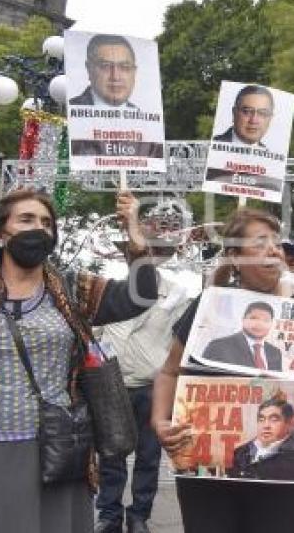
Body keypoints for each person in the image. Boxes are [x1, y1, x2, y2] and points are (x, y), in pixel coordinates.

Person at [0, 188, 157, 533]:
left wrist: (135, 235)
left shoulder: (69, 288)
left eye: (47, 222)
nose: (39, 228)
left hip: (58, 446)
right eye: (26, 219)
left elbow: (140, 296)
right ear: (0, 233)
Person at [152, 207, 294, 533]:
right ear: (235, 258)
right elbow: (170, 372)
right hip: (210, 474)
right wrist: (159, 421)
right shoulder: (207, 308)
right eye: (260, 242)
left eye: (276, 243)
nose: (274, 250)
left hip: (280, 475)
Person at [94, 228, 192, 533]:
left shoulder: (177, 295)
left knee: (149, 457)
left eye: (149, 251)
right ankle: (109, 515)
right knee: (111, 455)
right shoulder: (108, 292)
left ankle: (139, 515)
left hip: (152, 386)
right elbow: (93, 336)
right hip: (113, 384)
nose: (141, 256)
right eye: (135, 251)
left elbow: (181, 342)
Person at [230, 398, 294, 482]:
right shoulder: (240, 453)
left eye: (274, 420)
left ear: (289, 423)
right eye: (261, 419)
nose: (266, 426)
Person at [201, 301, 282, 370]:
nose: (259, 324)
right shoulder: (218, 346)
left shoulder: (275, 352)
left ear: (271, 324)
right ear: (243, 320)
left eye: (266, 320)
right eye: (253, 318)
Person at [70, 34, 139, 108]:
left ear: (134, 72)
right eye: (105, 66)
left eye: (124, 67)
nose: (115, 77)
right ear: (89, 69)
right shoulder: (70, 107)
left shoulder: (140, 115)